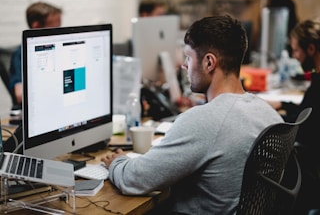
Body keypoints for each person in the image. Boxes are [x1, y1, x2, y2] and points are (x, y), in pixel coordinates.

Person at [101, 15, 283, 214]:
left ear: (209, 62)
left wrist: (116, 162)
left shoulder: (203, 121)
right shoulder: (269, 114)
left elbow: (134, 179)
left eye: (188, 57)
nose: (184, 66)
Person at [268, 18, 320, 215]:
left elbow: (304, 127)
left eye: (296, 50)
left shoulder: (318, 86)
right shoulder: (317, 83)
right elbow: (311, 112)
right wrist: (284, 105)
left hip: (310, 173)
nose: (295, 57)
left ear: (311, 49)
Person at [9, 1, 62, 108]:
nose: (59, 32)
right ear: (36, 27)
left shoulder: (57, 48)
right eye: (54, 28)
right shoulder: (21, 55)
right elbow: (20, 95)